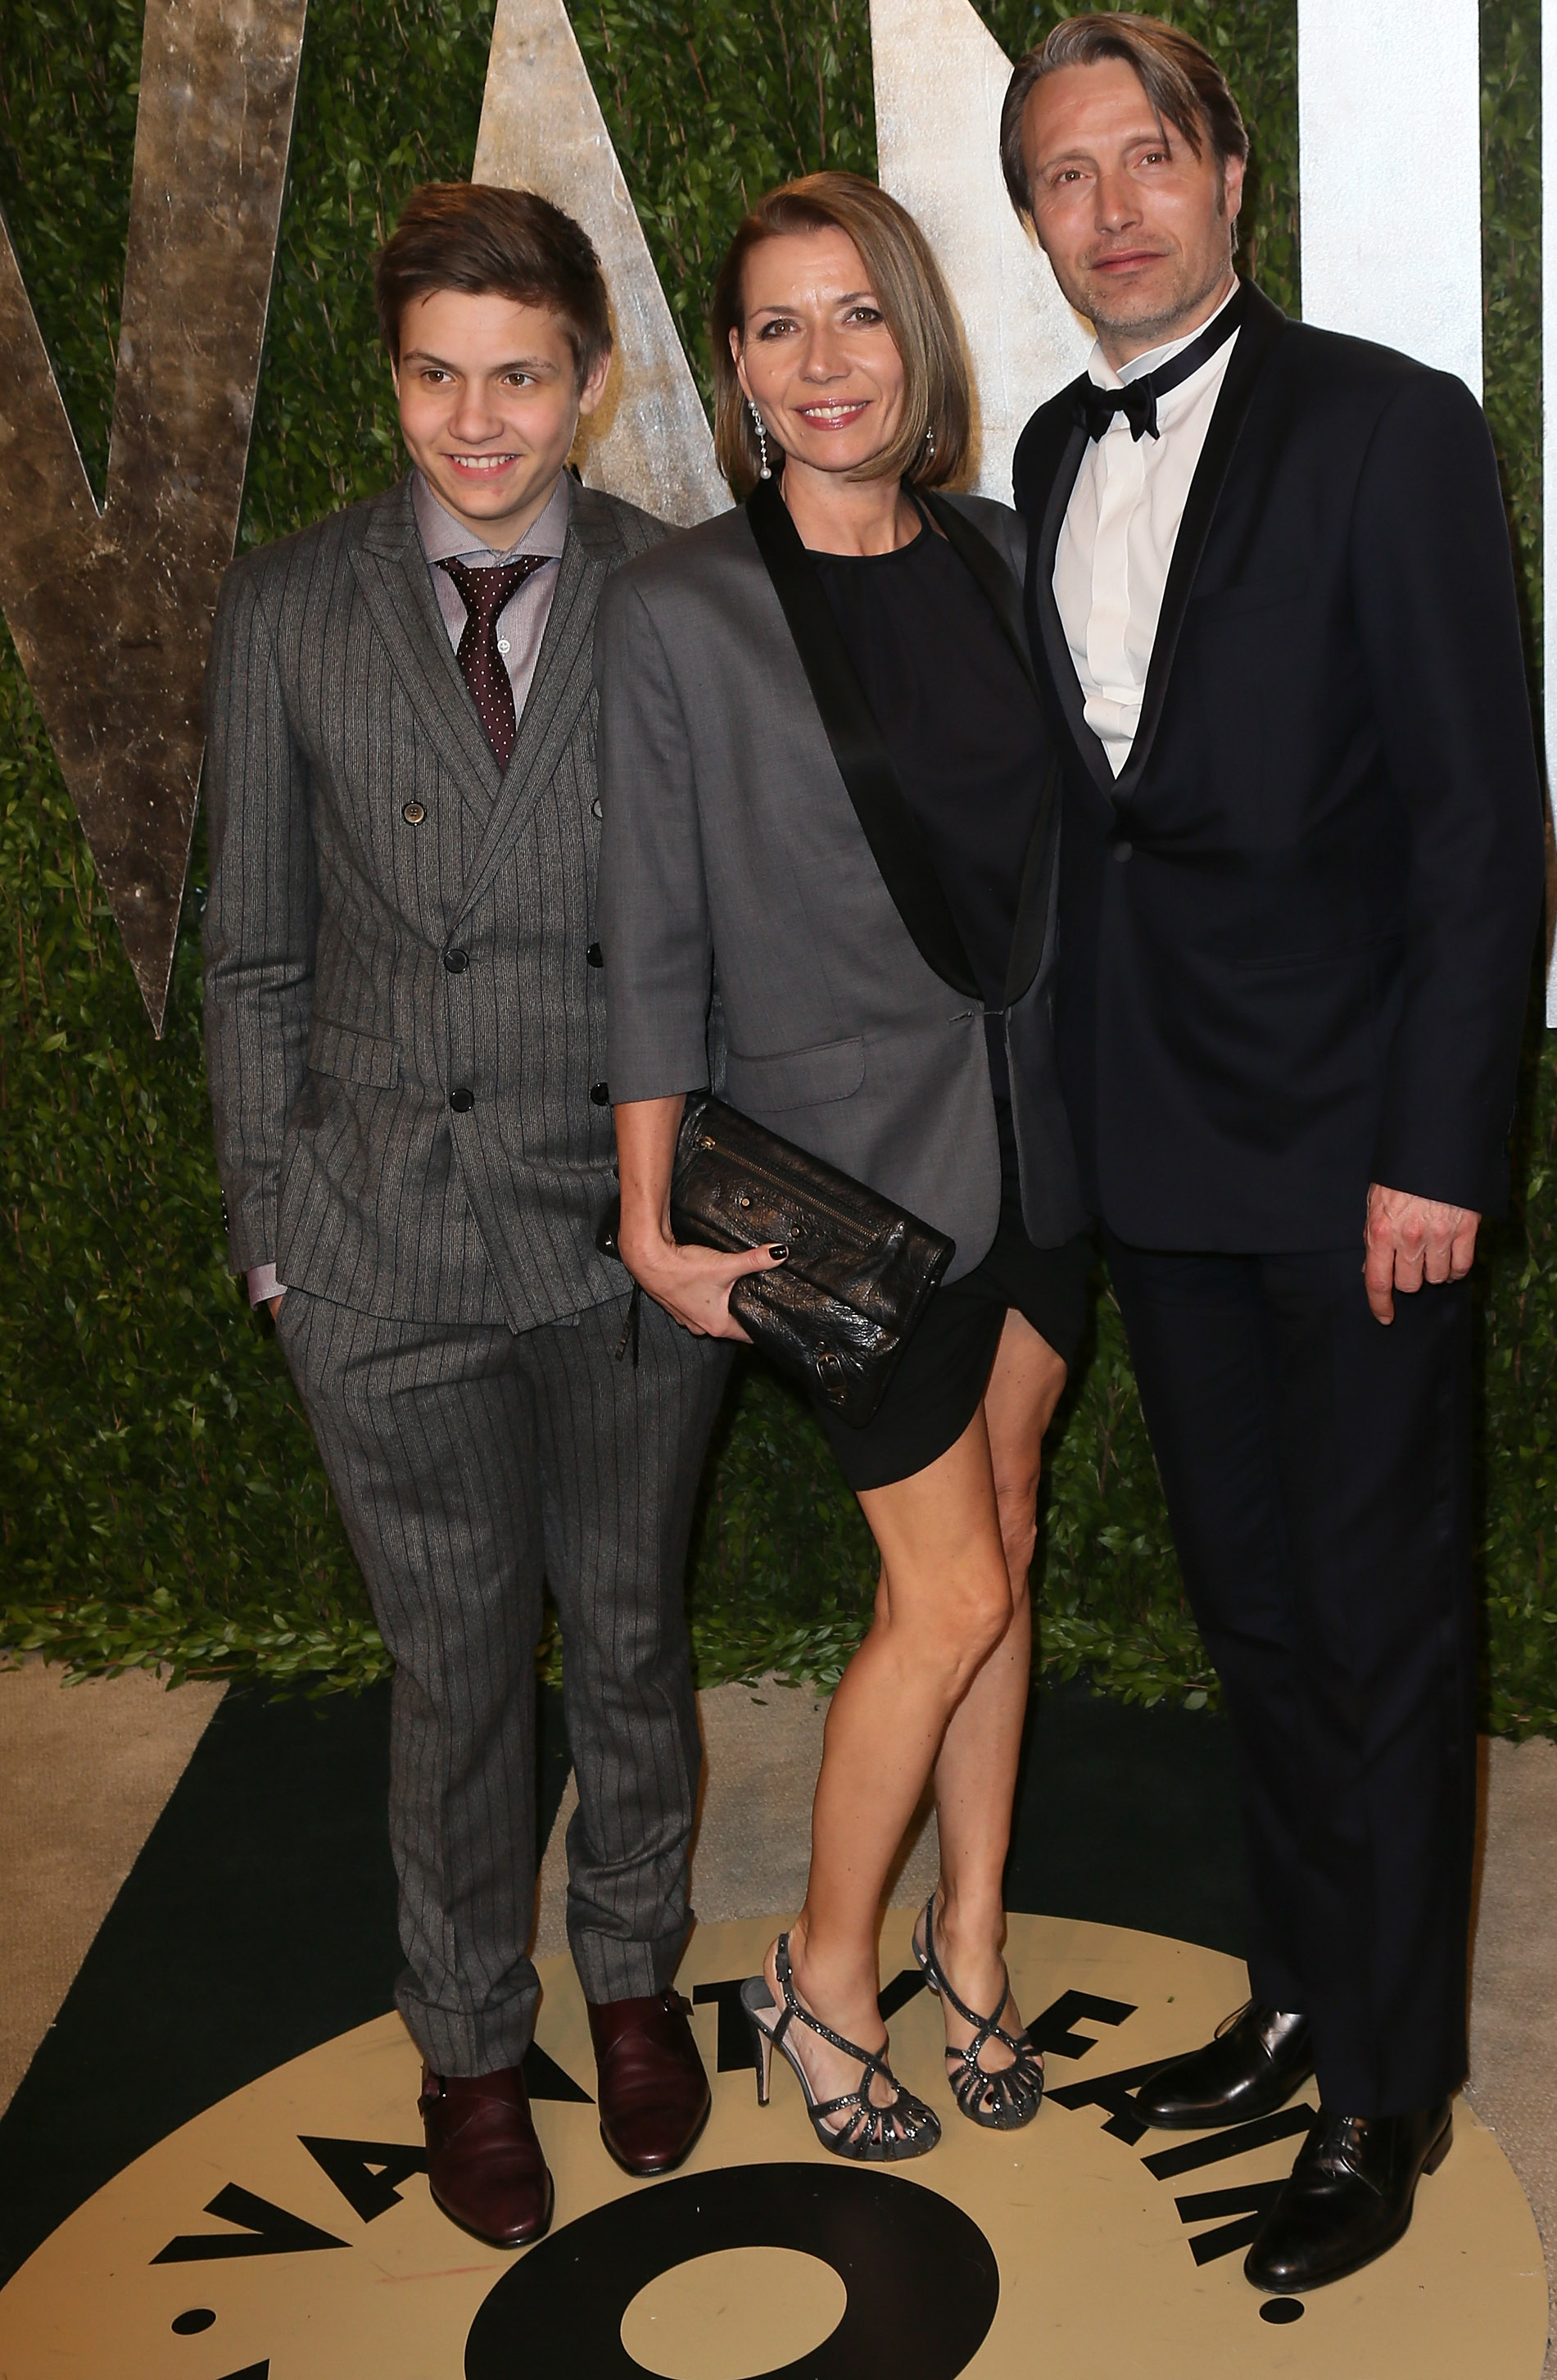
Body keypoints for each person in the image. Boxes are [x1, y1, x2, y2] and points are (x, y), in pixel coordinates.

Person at [1003, 17, 1544, 2290]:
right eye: (1062, 175)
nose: (1112, 206)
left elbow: (1473, 828)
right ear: (1028, 219)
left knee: (1378, 1621)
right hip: (1148, 1152)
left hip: (1353, 1168)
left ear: (1233, 176)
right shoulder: (1036, 451)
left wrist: (1435, 1149)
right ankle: (1306, 1991)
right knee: (1251, 1613)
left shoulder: (1388, 429)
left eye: (1149, 157)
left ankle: (1388, 2082)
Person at [202, 183, 731, 2248]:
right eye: (438, 374)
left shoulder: (682, 596)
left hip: (619, 1237)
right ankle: (462, 2041)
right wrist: (275, 1232)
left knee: (623, 1637)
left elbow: (725, 935)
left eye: (521, 376)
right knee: (446, 1675)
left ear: (589, 386)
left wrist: (690, 1205)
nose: (479, 420)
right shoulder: (287, 608)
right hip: (376, 1252)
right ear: (394, 380)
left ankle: (627, 1984)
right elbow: (252, 955)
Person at [595, 171, 1091, 2160]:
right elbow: (651, 928)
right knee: (944, 1591)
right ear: (732, 369)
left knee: (1015, 1537)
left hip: (1046, 1148)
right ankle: (819, 1969)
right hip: (838, 1189)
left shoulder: (996, 555)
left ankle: (968, 1937)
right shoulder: (681, 612)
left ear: (915, 335)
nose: (824, 362)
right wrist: (648, 1211)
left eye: (857, 316)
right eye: (779, 328)